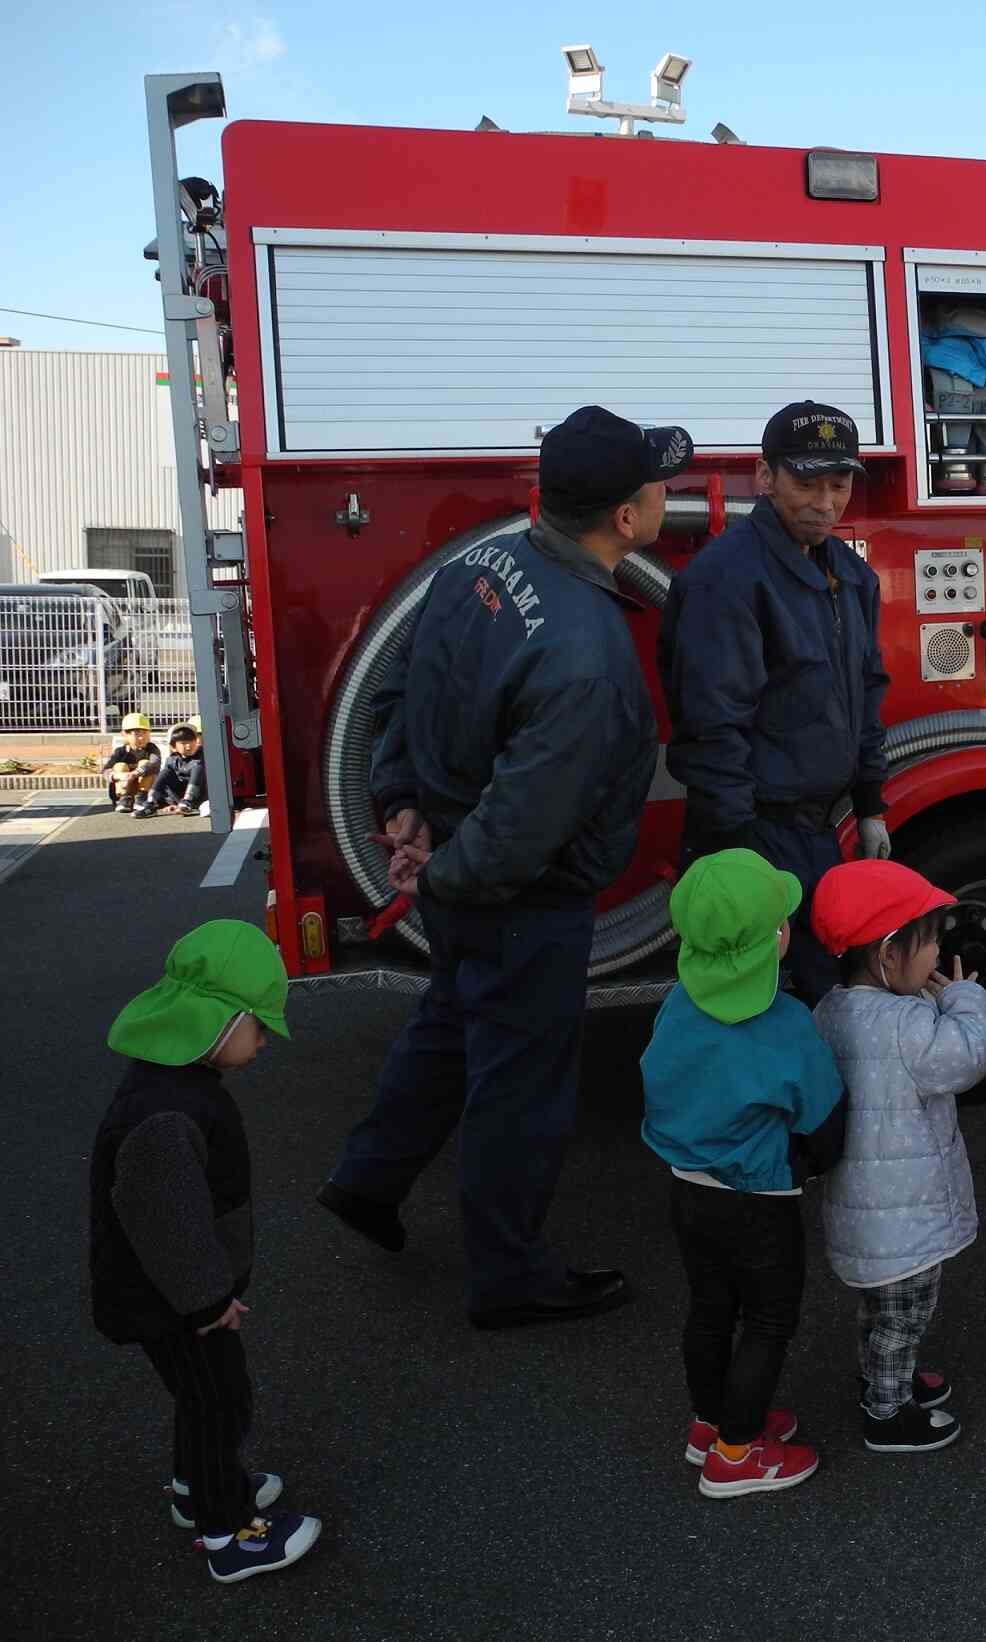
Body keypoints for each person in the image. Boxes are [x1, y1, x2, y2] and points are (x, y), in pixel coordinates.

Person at [318, 405, 691, 1328]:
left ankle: (368, 1178)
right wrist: (443, 875)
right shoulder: (586, 655)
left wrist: (402, 804)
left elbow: (402, 688)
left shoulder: (480, 564)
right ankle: (510, 1277)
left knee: (449, 1025)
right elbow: (526, 822)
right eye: (656, 484)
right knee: (519, 1087)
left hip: (456, 862)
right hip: (516, 895)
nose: (664, 493)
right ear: (627, 520)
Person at [89, 919, 323, 1583]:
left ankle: (196, 1491)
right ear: (222, 1023)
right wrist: (210, 1300)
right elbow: (170, 1223)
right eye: (260, 1029)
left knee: (201, 1397)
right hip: (176, 1301)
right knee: (221, 1399)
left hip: (169, 1294)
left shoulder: (170, 1084)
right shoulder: (167, 1117)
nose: (265, 1044)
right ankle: (232, 1533)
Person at [660, 401, 892, 1006]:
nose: (824, 502)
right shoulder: (728, 578)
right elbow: (713, 725)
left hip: (820, 831)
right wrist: (741, 856)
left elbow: (867, 690)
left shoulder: (848, 574)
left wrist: (870, 804)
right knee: (747, 1008)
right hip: (752, 830)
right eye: (806, 483)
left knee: (825, 999)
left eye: (838, 485)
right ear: (764, 477)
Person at [641, 849, 847, 1499]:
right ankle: (736, 1454)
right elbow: (822, 1116)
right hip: (758, 1201)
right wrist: (816, 1162)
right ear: (775, 939)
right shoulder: (785, 1024)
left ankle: (711, 1422)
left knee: (710, 1308)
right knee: (768, 1320)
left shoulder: (675, 1004)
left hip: (687, 1189)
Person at [809, 859, 986, 1455]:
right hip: (907, 1215)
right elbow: (964, 1059)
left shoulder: (830, 1011)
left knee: (880, 1305)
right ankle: (887, 1414)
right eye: (929, 941)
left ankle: (879, 1377)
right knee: (906, 1313)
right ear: (888, 955)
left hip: (863, 1211)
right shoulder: (909, 1022)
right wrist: (965, 1000)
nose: (938, 954)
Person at [139, 722, 207, 818]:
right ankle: (150, 803)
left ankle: (188, 802)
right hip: (178, 796)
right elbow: (166, 783)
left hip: (200, 795)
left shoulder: (203, 754)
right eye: (183, 743)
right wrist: (170, 802)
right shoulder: (172, 759)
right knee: (165, 771)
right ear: (173, 747)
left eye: (191, 741)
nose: (188, 746)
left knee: (198, 766)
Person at [102, 712, 162, 812]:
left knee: (145, 763)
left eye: (144, 733)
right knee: (120, 766)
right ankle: (125, 798)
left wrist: (134, 773)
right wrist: (120, 776)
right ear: (125, 734)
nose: (141, 737)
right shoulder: (120, 752)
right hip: (124, 787)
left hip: (145, 789)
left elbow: (155, 763)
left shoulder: (152, 749)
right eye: (137, 734)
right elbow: (105, 771)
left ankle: (142, 798)